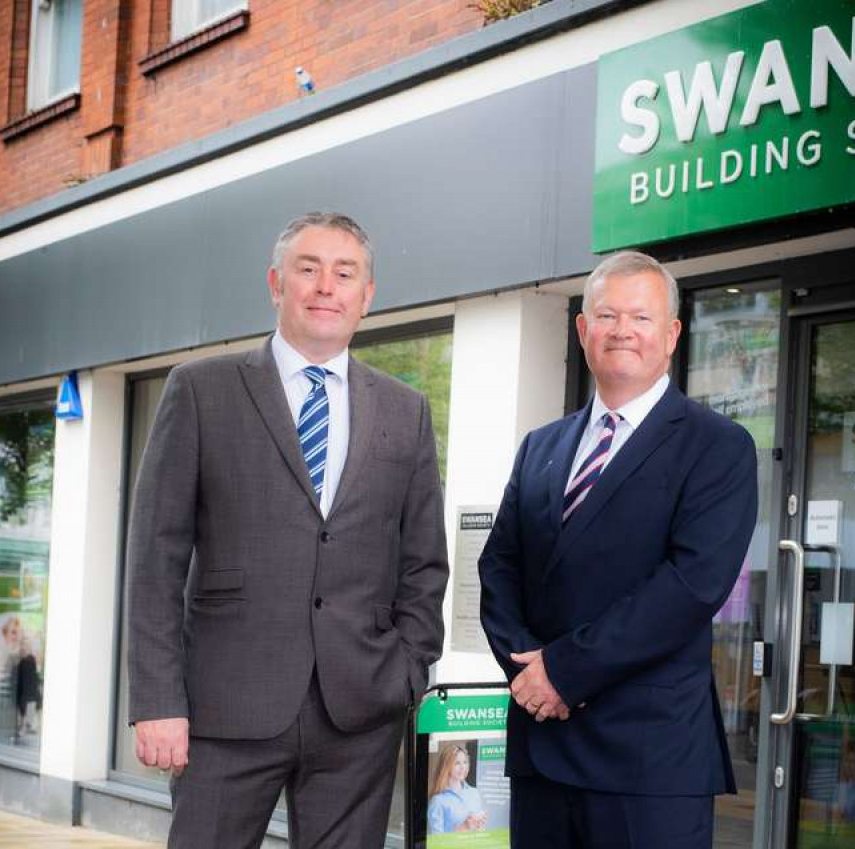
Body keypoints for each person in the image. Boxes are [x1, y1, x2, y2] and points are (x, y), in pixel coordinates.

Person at [126, 212, 449, 849]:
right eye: (309, 269)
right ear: (277, 284)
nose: (326, 286)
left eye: (344, 272)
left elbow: (423, 563)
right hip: (224, 708)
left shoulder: (404, 410)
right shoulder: (200, 390)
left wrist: (408, 670)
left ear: (367, 295)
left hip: (359, 709)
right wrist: (158, 699)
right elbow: (155, 559)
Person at [478, 251, 757, 849]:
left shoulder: (718, 447)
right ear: (583, 330)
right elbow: (499, 565)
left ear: (672, 334)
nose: (622, 330)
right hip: (543, 745)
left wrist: (563, 671)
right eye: (606, 315)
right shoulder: (541, 446)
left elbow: (690, 587)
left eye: (642, 317)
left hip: (648, 760)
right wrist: (527, 672)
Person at [427, 745, 487, 834]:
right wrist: (464, 826)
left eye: (465, 762)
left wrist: (480, 825)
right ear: (446, 766)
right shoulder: (437, 801)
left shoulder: (474, 793)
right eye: (457, 763)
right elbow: (437, 844)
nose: (463, 767)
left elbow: (479, 832)